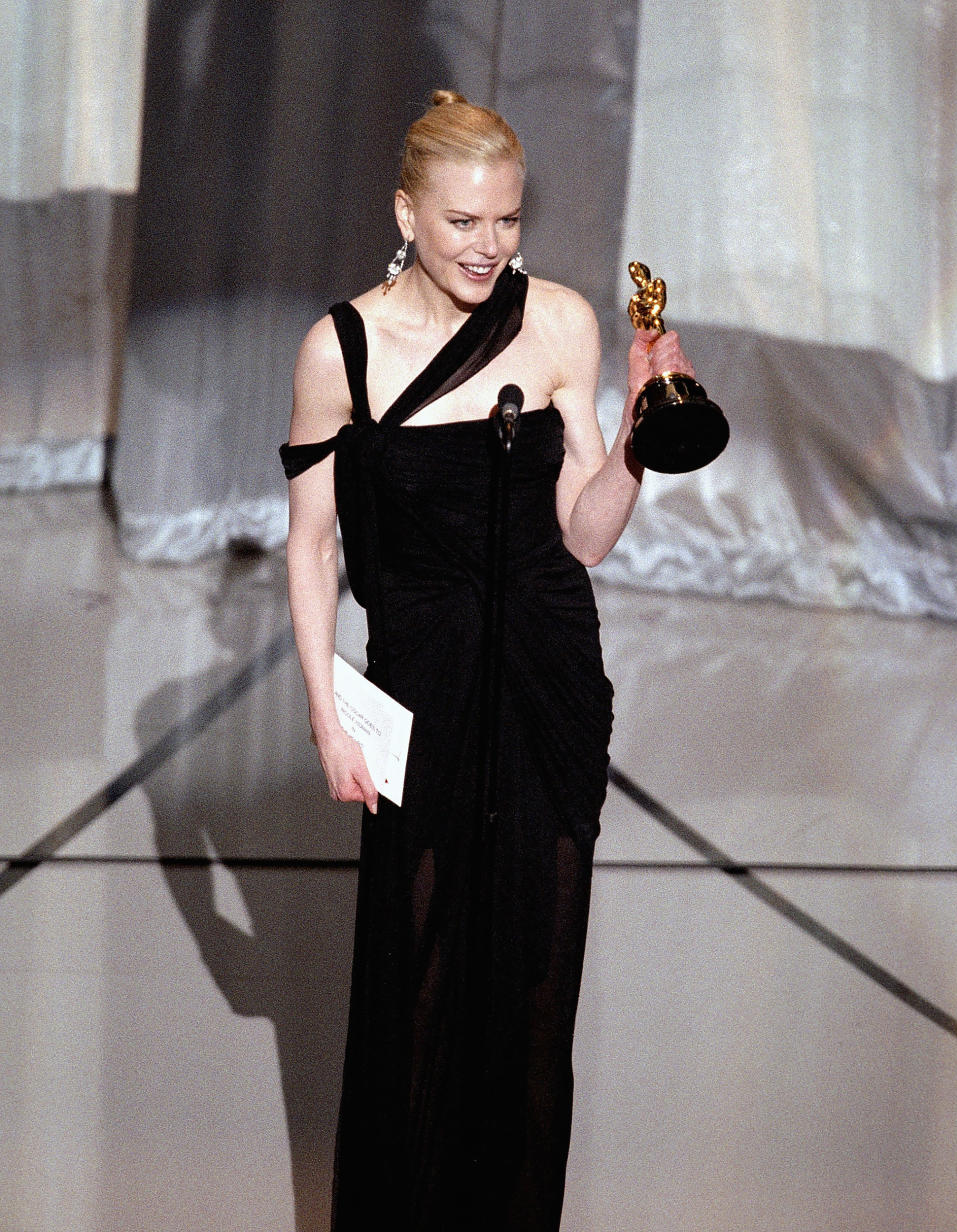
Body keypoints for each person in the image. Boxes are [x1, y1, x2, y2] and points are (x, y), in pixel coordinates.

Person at [281, 89, 693, 1232]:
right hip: (422, 688)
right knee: (414, 983)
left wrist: (640, 439)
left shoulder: (561, 322)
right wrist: (327, 714)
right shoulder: (342, 346)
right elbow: (313, 545)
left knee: (531, 1001)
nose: (488, 246)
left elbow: (587, 534)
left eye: (506, 220)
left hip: (550, 686)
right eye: (463, 221)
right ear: (406, 211)